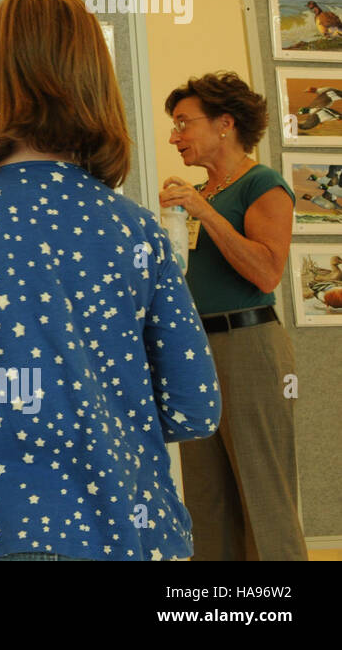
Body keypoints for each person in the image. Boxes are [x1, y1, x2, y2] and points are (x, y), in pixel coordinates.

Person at [0, 0, 221, 561]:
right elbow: (195, 407)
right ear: (96, 86)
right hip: (138, 531)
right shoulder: (138, 231)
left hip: (3, 529)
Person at [161, 72, 308, 560]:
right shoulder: (207, 194)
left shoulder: (262, 183)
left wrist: (204, 211)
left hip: (249, 347)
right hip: (198, 350)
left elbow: (266, 272)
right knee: (206, 498)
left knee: (264, 494)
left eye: (184, 123)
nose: (174, 136)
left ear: (225, 123)